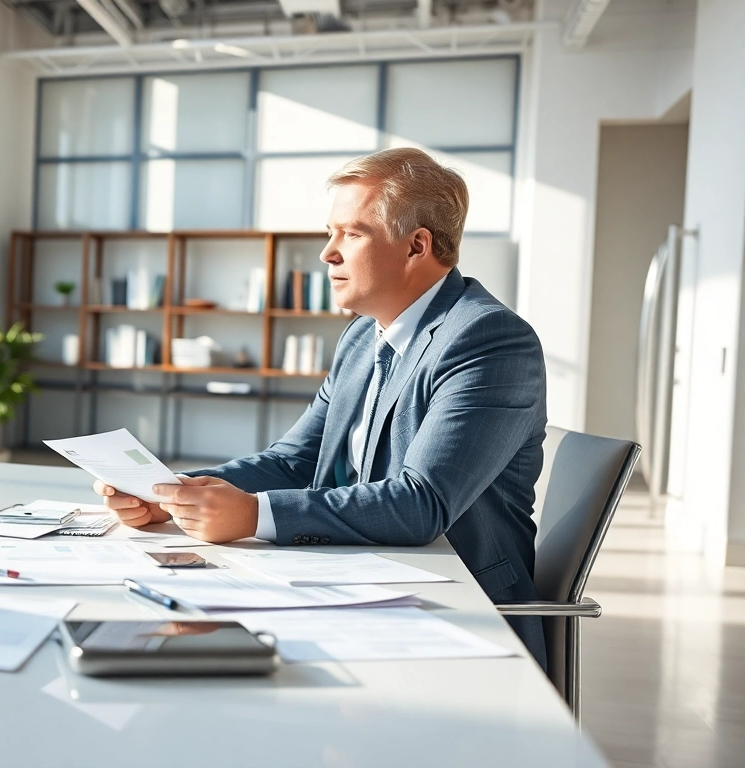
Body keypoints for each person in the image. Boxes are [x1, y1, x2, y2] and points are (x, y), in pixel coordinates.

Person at [95, 147, 548, 667]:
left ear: (416, 246)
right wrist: (175, 492)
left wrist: (252, 514)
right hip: (359, 580)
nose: (327, 254)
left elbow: (421, 504)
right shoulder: (361, 337)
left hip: (457, 610)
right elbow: (295, 460)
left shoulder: (488, 339)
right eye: (330, 233)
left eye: (350, 234)